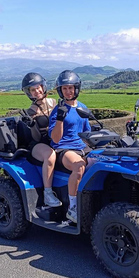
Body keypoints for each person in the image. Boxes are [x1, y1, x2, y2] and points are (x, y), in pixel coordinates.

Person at [48, 70, 91, 223]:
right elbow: (55, 138)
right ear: (60, 90)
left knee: (102, 163)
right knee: (79, 166)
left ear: (76, 88)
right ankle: (73, 208)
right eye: (64, 88)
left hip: (82, 147)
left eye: (70, 88)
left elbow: (87, 133)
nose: (68, 91)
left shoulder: (82, 107)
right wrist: (60, 118)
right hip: (64, 149)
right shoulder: (58, 110)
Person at [21, 72, 62, 208]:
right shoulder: (31, 112)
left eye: (38, 87)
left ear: (43, 87)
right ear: (29, 93)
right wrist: (32, 125)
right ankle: (48, 193)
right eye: (33, 89)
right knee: (50, 156)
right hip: (39, 144)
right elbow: (36, 137)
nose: (37, 91)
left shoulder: (55, 103)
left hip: (55, 140)